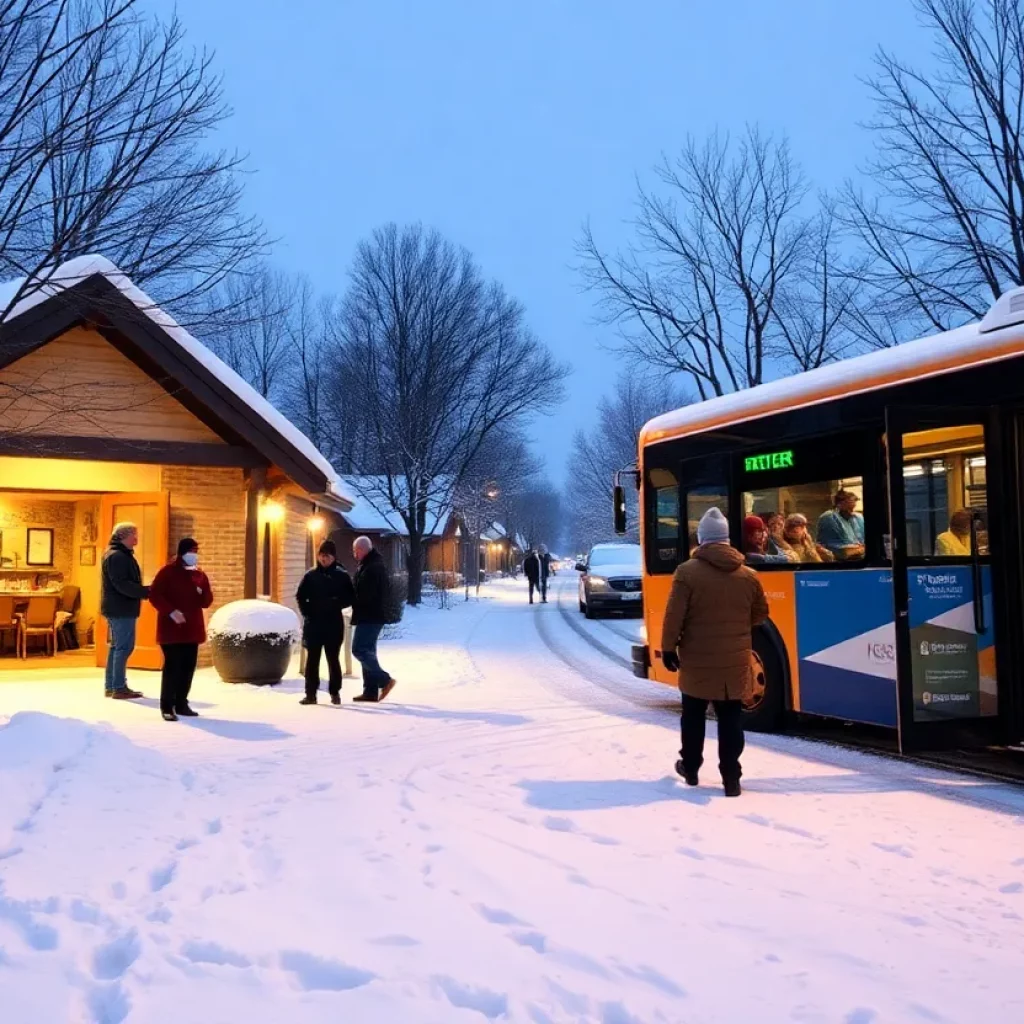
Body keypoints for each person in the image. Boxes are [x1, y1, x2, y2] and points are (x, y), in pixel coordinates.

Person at [660, 507, 769, 797]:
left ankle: (692, 768)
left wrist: (668, 648)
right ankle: (731, 776)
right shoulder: (748, 575)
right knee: (731, 715)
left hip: (697, 657)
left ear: (702, 539)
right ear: (727, 539)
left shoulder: (686, 572)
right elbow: (761, 613)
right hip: (735, 657)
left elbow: (674, 616)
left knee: (693, 714)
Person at [149, 538, 213, 722]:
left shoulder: (199, 575)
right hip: (171, 628)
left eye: (196, 551)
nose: (194, 554)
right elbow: (155, 595)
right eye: (191, 551)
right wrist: (170, 611)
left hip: (191, 628)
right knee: (173, 666)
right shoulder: (168, 572)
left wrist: (202, 589)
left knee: (188, 667)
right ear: (182, 552)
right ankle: (167, 706)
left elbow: (206, 602)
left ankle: (182, 702)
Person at [296, 539, 355, 706]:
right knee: (312, 660)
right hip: (314, 623)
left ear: (333, 557)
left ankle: (335, 692)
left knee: (333, 659)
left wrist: (336, 603)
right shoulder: (310, 576)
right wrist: (306, 611)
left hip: (333, 623)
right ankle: (310, 694)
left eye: (327, 556)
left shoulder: (342, 576)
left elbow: (350, 596)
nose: (324, 559)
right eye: (321, 556)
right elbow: (300, 596)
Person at [100, 522, 150, 700]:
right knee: (123, 647)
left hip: (117, 606)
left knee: (117, 647)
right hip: (121, 607)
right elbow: (122, 584)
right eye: (134, 535)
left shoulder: (116, 554)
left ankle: (112, 685)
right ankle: (118, 687)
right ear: (124, 536)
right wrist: (146, 591)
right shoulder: (118, 556)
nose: (136, 539)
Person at [351, 535, 397, 703]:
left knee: (359, 650)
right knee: (368, 652)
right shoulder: (370, 564)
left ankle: (385, 680)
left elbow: (366, 595)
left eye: (356, 550)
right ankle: (370, 691)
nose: (354, 554)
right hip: (371, 615)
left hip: (370, 616)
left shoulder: (372, 568)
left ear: (363, 549)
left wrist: (351, 599)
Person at [816, 490, 865, 560]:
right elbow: (832, 547)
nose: (851, 512)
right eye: (849, 509)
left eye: (853, 508)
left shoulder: (857, 517)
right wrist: (855, 548)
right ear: (839, 504)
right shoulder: (829, 518)